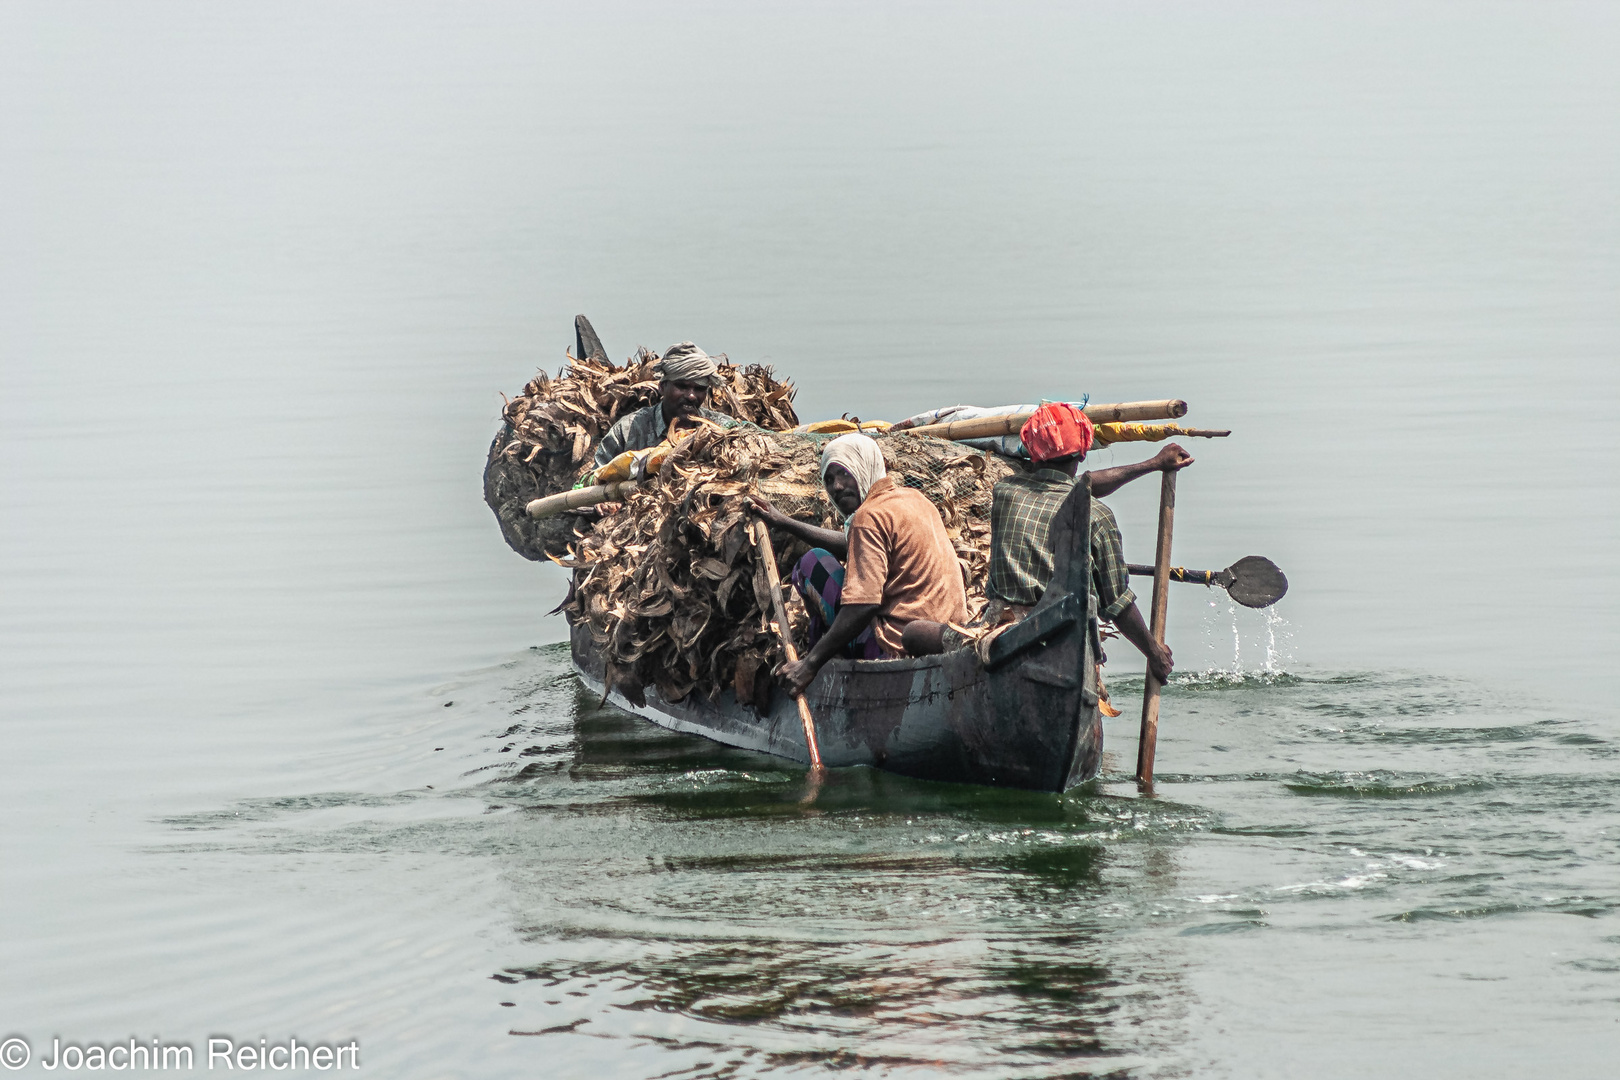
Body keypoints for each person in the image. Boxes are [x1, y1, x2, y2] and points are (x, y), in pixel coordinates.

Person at [984, 402, 1193, 682]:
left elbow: (1083, 484)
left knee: (917, 634)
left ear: (1030, 451)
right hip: (1062, 643)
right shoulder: (1096, 516)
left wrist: (1153, 464)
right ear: (1083, 453)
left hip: (1002, 633)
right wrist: (1153, 652)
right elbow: (1116, 603)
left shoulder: (1005, 492)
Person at [748, 433, 967, 695]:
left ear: (864, 468)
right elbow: (855, 546)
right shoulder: (912, 499)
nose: (837, 487)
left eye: (844, 473)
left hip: (893, 647)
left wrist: (809, 665)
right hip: (943, 631)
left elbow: (863, 605)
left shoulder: (868, 517)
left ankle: (828, 660)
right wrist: (785, 522)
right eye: (829, 480)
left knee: (811, 562)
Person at [592, 342, 734, 467]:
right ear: (661, 387)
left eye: (699, 389)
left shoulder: (723, 429)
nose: (691, 396)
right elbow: (593, 479)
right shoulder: (628, 431)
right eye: (682, 387)